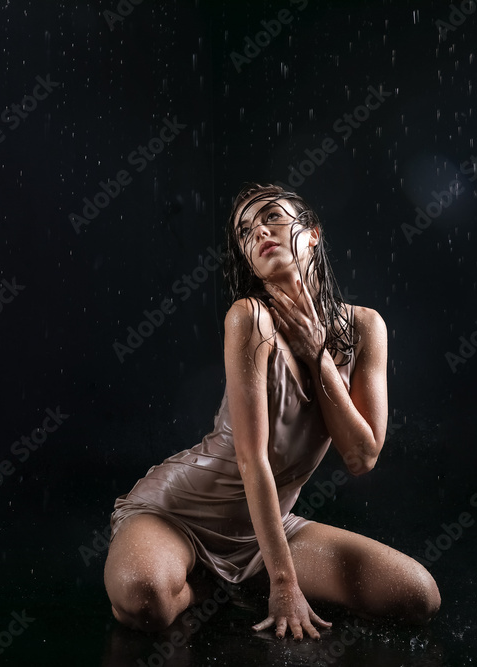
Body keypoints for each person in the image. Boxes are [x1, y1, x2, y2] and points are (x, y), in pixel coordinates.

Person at [103, 182, 440, 641]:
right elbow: (250, 460)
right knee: (146, 601)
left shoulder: (365, 327)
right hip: (178, 514)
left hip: (266, 529)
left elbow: (362, 456)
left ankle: (239, 577)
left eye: (272, 217)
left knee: (417, 596)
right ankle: (204, 584)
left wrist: (318, 355)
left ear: (314, 233)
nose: (258, 231)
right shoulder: (249, 317)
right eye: (245, 231)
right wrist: (284, 583)